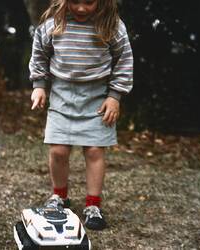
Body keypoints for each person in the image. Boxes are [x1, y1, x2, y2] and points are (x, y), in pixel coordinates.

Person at [29, 0, 133, 231]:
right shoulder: (53, 24)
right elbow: (39, 54)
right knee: (58, 149)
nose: (82, 8)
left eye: (89, 2)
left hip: (98, 96)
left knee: (95, 150)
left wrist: (115, 96)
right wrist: (38, 85)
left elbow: (124, 60)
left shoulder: (111, 26)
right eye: (75, 1)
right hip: (61, 94)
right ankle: (59, 197)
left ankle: (93, 205)